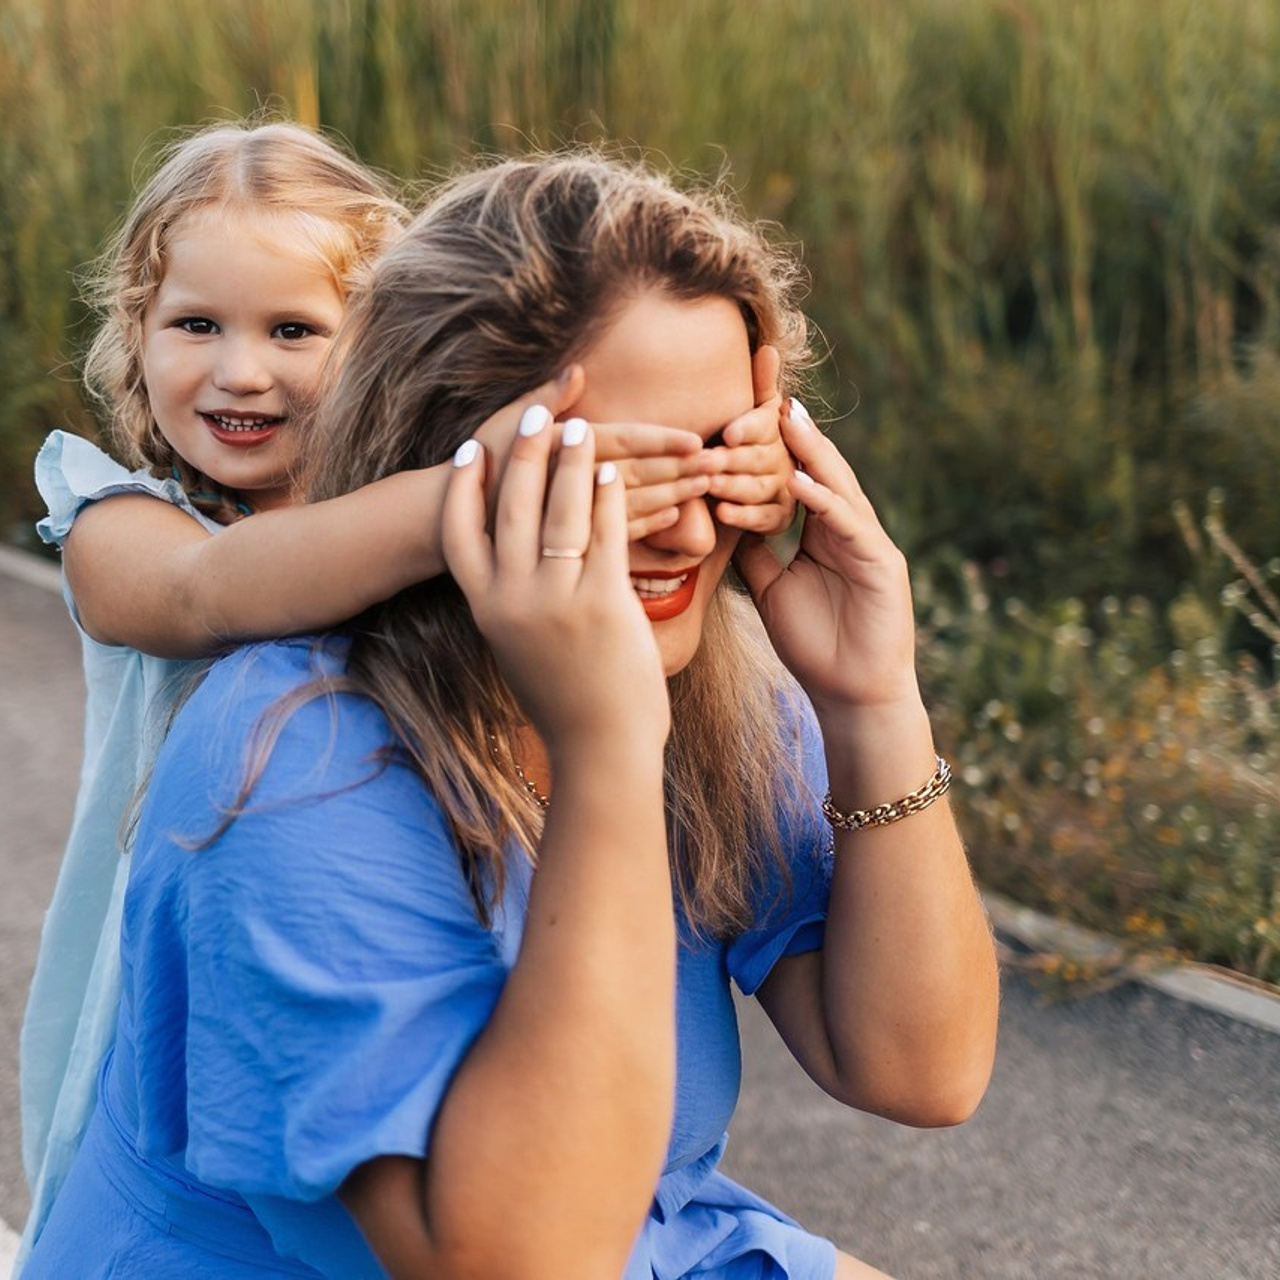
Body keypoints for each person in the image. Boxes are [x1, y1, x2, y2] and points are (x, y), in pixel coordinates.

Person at [25, 151, 998, 1279]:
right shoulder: (298, 750)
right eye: (614, 476)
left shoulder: (709, 691)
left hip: (644, 1230)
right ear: (453, 464)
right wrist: (605, 746)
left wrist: (871, 697)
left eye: (719, 465)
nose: (683, 534)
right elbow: (516, 1262)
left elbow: (917, 1068)